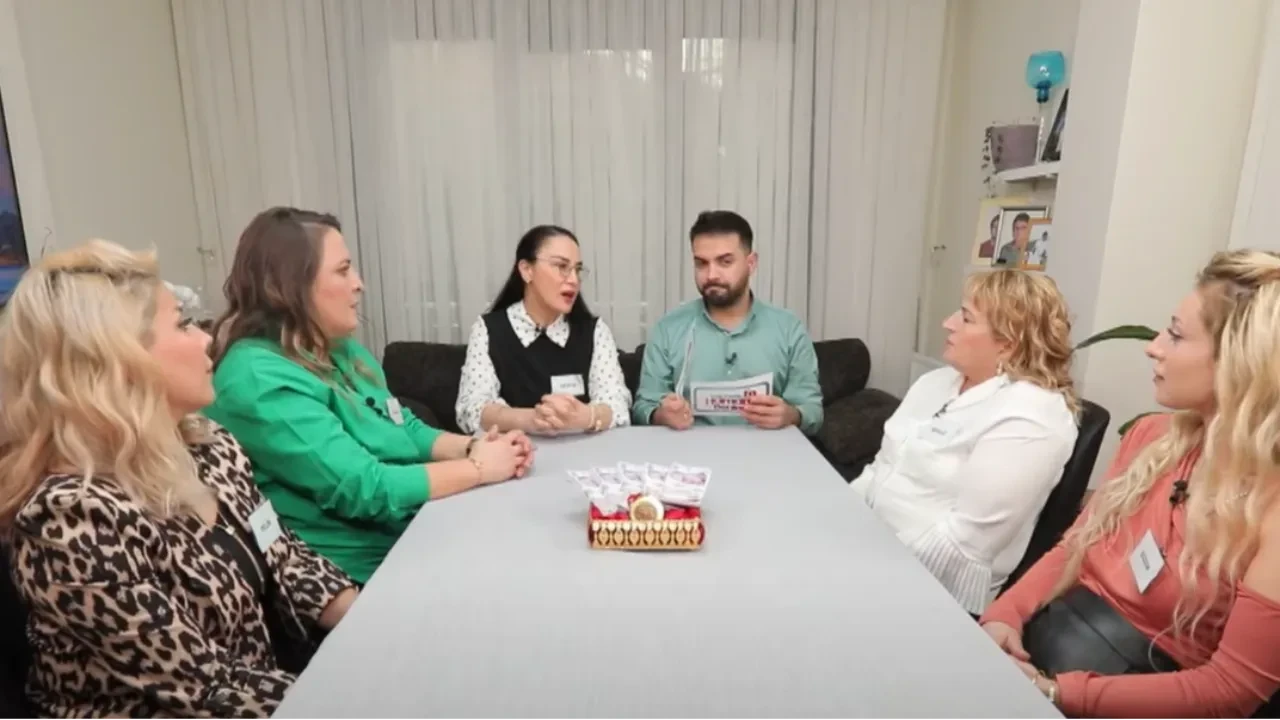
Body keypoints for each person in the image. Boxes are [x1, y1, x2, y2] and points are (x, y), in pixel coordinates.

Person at [0, 240, 358, 718]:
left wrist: (372, 622)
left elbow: (286, 558)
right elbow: (205, 686)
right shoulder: (69, 517)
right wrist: (365, 698)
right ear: (120, 364)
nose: (207, 339)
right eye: (183, 324)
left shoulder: (210, 446)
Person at [980, 250, 1280, 719]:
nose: (1153, 347)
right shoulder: (1152, 438)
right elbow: (1075, 547)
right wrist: (1004, 615)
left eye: (1176, 335)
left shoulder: (1271, 506)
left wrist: (1057, 693)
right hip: (1045, 649)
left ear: (1241, 363)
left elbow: (1231, 689)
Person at [206, 207, 533, 585]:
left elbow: (403, 425)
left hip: (413, 529)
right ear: (291, 285)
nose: (358, 283)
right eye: (343, 271)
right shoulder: (257, 378)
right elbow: (365, 488)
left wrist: (476, 447)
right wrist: (478, 469)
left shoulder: (339, 348)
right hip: (361, 572)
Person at [851, 270, 1079, 615]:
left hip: (929, 589)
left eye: (966, 318)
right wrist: (839, 521)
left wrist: (863, 570)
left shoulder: (1034, 415)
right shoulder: (936, 382)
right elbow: (881, 466)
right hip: (866, 547)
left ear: (1007, 343)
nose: (948, 323)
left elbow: (963, 542)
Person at [633, 210, 823, 434]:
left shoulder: (788, 329)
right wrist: (661, 415)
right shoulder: (668, 329)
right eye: (701, 263)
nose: (711, 275)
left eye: (725, 262)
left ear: (751, 263)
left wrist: (790, 415)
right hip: (690, 452)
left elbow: (812, 411)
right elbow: (643, 407)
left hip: (767, 451)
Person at [455, 225, 631, 436]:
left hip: (583, 452)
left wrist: (586, 417)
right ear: (526, 270)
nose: (573, 280)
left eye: (577, 270)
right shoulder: (488, 330)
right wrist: (532, 419)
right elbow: (471, 409)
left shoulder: (595, 331)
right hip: (514, 451)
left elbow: (618, 405)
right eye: (561, 266)